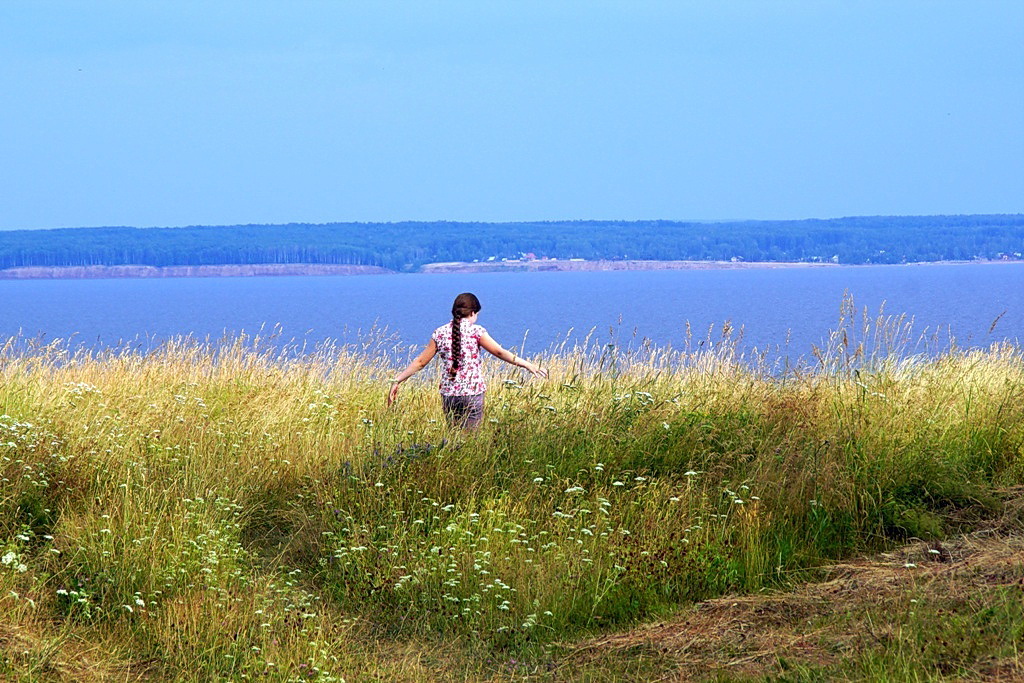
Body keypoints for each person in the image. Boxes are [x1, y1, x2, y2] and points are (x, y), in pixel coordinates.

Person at [387, 292, 547, 428]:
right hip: (472, 392)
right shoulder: (477, 331)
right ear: (472, 313)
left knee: (454, 438)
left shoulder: (439, 333)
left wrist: (397, 380)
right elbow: (499, 352)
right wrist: (527, 365)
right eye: (477, 314)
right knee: (470, 441)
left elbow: (420, 362)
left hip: (449, 394)